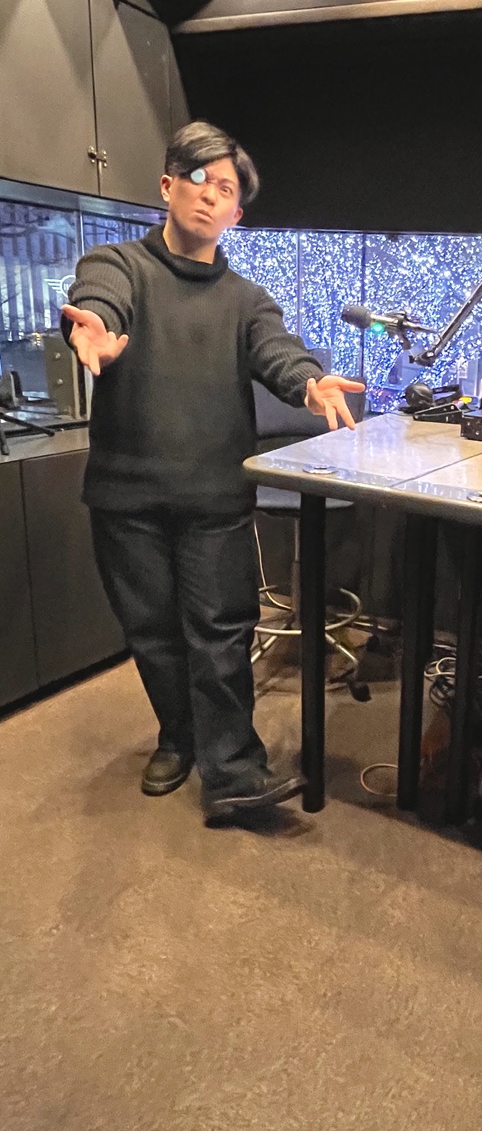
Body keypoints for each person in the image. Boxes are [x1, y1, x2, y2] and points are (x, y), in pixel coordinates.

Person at [62, 121, 365, 825]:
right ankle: (178, 737)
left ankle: (232, 771)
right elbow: (99, 296)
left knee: (221, 632)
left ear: (236, 213)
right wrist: (94, 326)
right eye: (197, 178)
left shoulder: (246, 300)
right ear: (167, 186)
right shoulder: (117, 264)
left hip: (214, 499)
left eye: (225, 189)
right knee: (152, 632)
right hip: (126, 497)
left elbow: (278, 349)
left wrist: (309, 381)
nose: (208, 194)